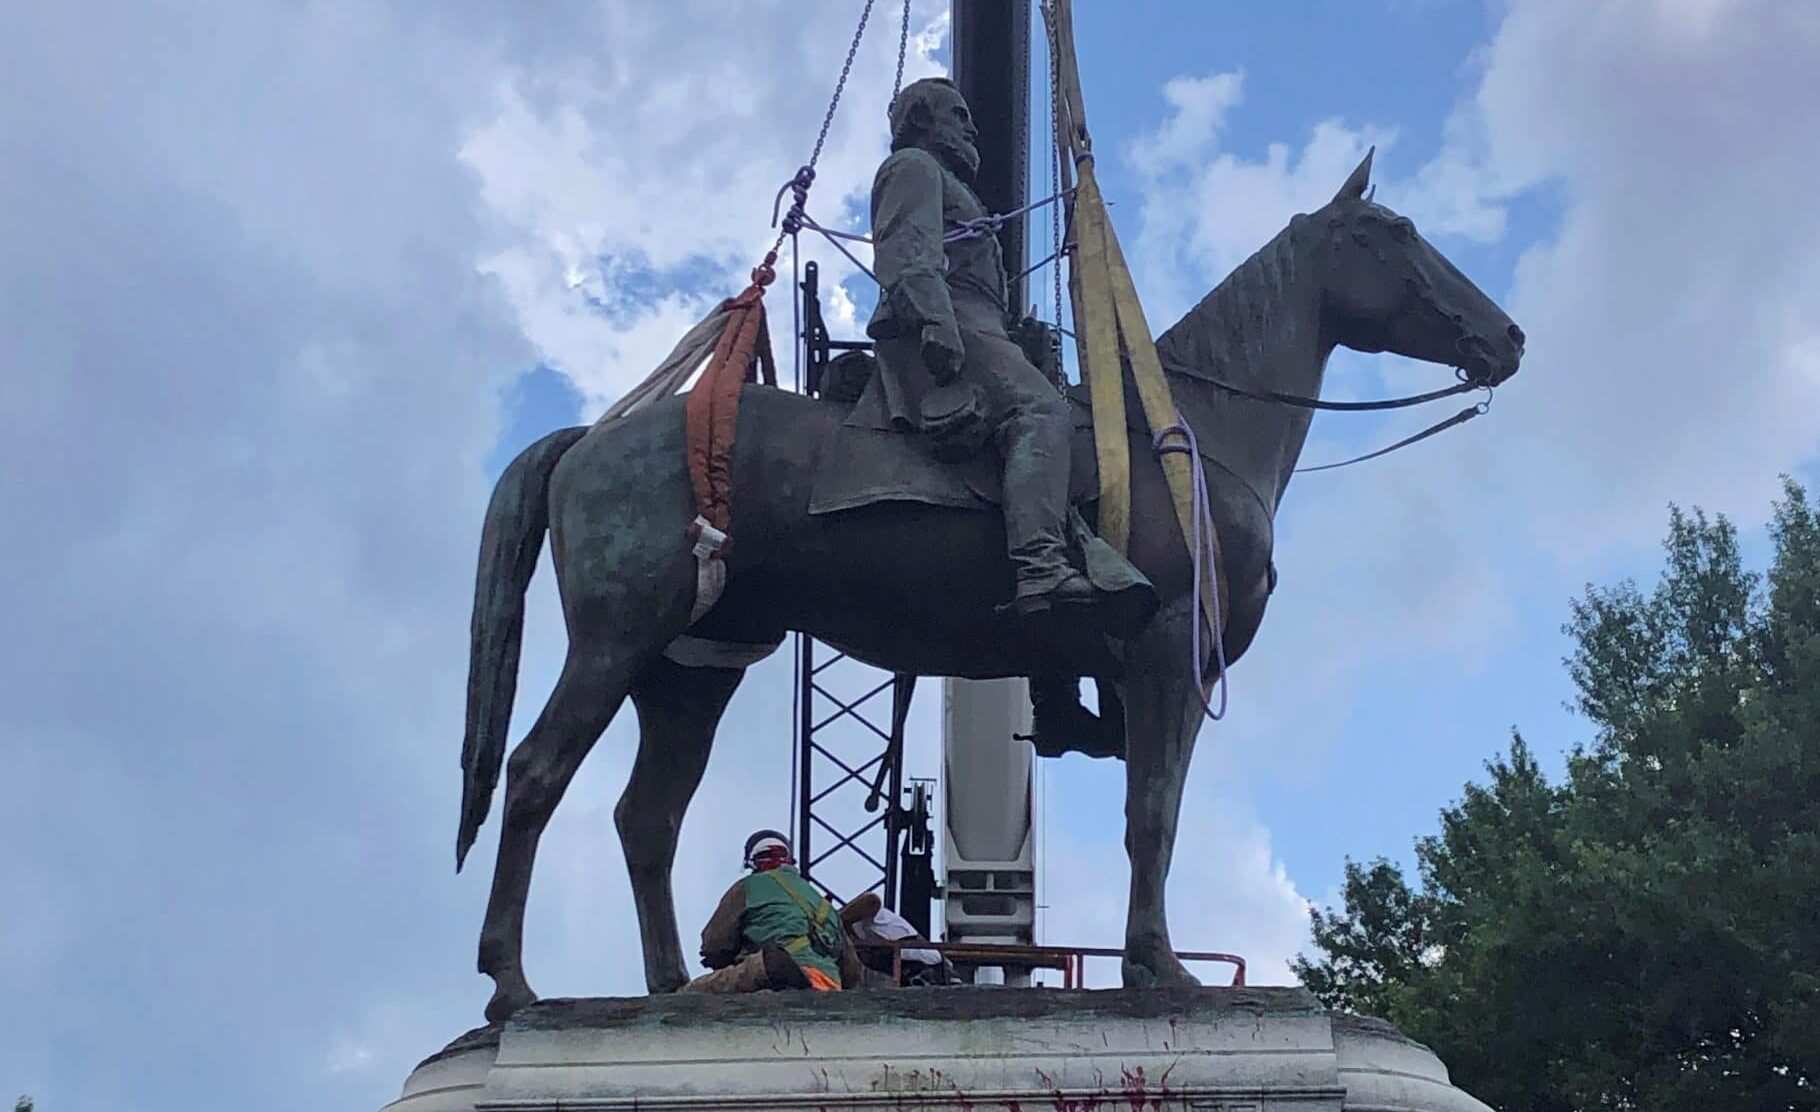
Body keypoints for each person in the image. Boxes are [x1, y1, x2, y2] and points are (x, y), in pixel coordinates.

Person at [865, 77, 1099, 622]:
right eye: (958, 114)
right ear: (921, 120)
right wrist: (934, 322)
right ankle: (1040, 563)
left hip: (982, 324)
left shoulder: (956, 188)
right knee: (1040, 411)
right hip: (949, 319)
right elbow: (907, 250)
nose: (972, 126)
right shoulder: (914, 169)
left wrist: (1021, 337)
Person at [681, 830, 848, 994]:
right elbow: (851, 969)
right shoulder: (823, 904)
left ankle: (782, 968)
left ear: (752, 862)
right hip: (829, 982)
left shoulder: (747, 887)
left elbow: (715, 945)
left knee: (688, 993)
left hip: (770, 970)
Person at [839, 891, 952, 987]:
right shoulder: (857, 938)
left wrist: (840, 919)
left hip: (925, 961)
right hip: (910, 966)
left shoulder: (871, 918)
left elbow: (872, 900)